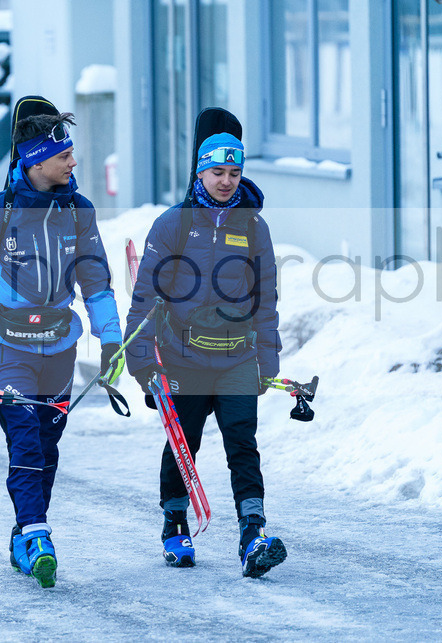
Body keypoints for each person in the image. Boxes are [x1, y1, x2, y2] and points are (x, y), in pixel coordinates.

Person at [0, 111, 125, 588]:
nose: (73, 162)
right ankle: (37, 533)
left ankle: (23, 534)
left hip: (59, 348)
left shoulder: (79, 211)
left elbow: (96, 284)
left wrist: (110, 339)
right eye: (64, 155)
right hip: (6, 347)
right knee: (25, 438)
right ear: (36, 161)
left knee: (47, 448)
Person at [124, 130, 286, 578]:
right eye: (218, 172)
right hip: (183, 358)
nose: (227, 181)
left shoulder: (253, 226)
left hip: (237, 357)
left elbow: (266, 300)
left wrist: (267, 365)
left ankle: (252, 531)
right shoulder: (174, 224)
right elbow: (145, 300)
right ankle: (175, 520)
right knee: (184, 442)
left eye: (235, 173)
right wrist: (143, 366)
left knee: (242, 443)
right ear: (200, 171)